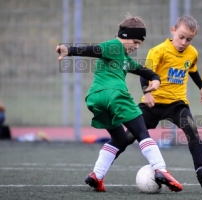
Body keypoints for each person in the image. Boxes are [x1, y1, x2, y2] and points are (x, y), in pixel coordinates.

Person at [56, 14, 183, 192]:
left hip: (96, 99)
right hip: (116, 96)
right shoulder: (114, 46)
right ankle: (160, 168)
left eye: (140, 44)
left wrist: (155, 79)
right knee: (141, 132)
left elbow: (143, 71)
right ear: (124, 36)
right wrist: (69, 50)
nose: (137, 47)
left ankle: (97, 175)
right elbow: (94, 49)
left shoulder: (123, 57)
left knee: (120, 139)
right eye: (135, 42)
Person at [108, 15, 202, 188]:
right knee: (127, 136)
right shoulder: (158, 50)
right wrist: (148, 94)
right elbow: (145, 73)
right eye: (181, 37)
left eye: (189, 39)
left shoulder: (192, 53)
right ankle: (100, 171)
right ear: (173, 30)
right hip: (153, 103)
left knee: (192, 131)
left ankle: (201, 172)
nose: (184, 42)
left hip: (177, 104)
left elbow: (193, 70)